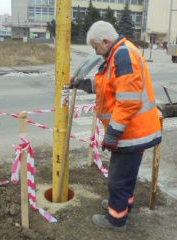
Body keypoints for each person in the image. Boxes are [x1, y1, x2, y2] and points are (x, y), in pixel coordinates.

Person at [70, 21, 162, 231]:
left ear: (105, 41)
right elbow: (111, 86)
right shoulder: (117, 54)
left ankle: (116, 219)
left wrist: (112, 133)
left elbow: (128, 100)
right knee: (125, 175)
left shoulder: (123, 55)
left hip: (132, 132)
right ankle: (121, 205)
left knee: (117, 179)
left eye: (96, 47)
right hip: (131, 130)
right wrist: (85, 84)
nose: (96, 52)